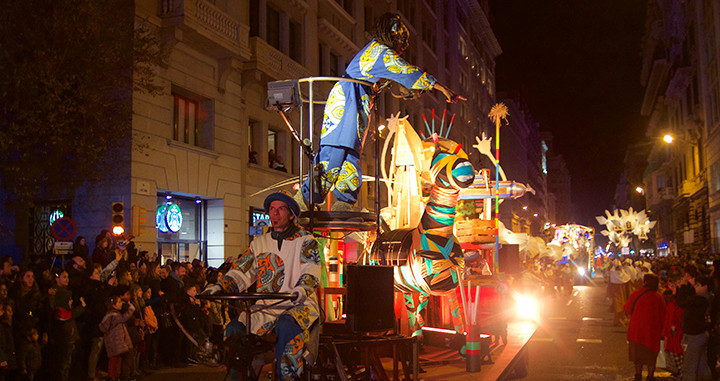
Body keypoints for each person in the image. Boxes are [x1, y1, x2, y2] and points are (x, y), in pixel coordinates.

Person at [296, 12, 465, 212]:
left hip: (358, 102)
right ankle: (304, 200)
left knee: (350, 154)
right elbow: (405, 70)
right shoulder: (380, 53)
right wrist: (440, 87)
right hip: (347, 101)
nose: (402, 50)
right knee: (334, 153)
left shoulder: (378, 54)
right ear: (392, 37)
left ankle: (344, 203)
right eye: (401, 43)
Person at [203, 192, 321, 380]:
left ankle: (288, 377)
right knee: (234, 329)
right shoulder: (259, 243)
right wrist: (220, 287)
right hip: (265, 307)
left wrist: (300, 291)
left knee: (287, 326)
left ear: (291, 214)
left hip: (297, 305)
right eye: (272, 209)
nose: (274, 214)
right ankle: (239, 375)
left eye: (280, 209)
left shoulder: (306, 241)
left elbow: (310, 271)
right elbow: (242, 270)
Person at [624, 274, 666, 381]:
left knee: (637, 355)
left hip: (637, 330)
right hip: (653, 331)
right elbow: (663, 315)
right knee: (651, 355)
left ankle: (638, 375)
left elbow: (627, 309)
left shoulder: (636, 294)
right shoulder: (659, 297)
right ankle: (650, 376)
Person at [677, 274, 714, 381]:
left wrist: (683, 287)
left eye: (698, 285)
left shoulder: (701, 299)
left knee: (689, 367)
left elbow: (682, 302)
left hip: (694, 336)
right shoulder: (707, 298)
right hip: (700, 334)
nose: (695, 287)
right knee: (701, 365)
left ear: (705, 286)